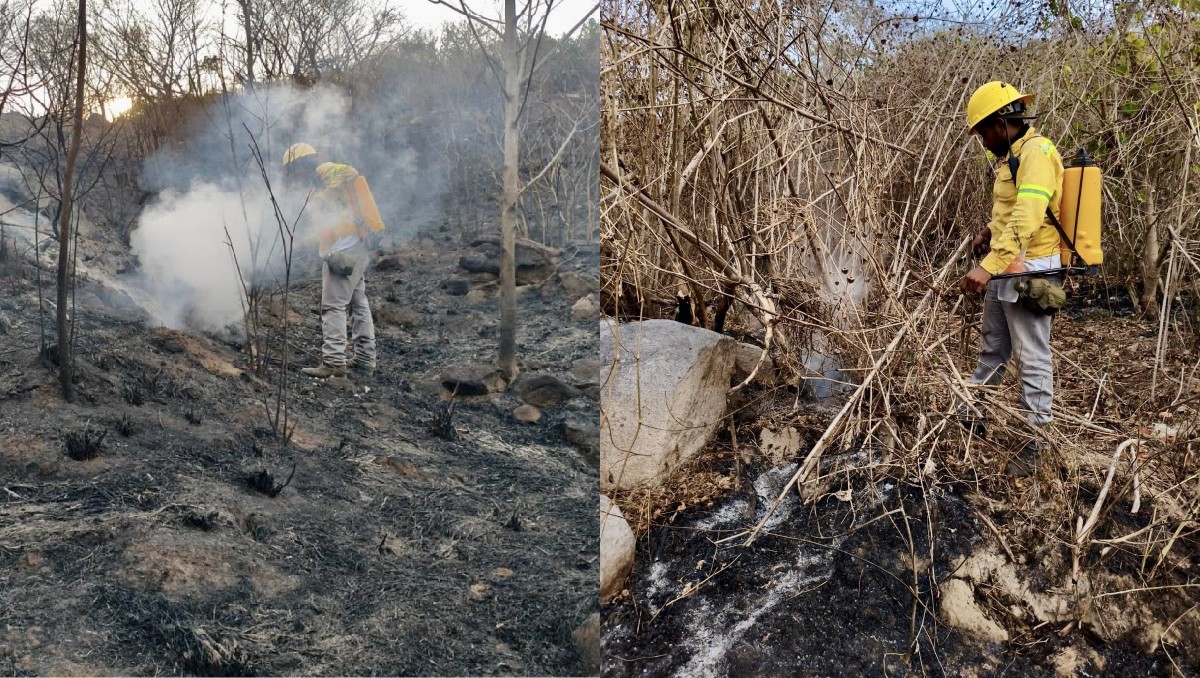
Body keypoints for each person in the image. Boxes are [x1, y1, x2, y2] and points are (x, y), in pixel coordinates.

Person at [957, 81, 1065, 477]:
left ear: (1002, 122)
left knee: (1032, 357)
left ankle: (1037, 443)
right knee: (993, 350)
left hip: (1030, 272)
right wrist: (988, 232)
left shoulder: (1037, 153)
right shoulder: (1012, 157)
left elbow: (1029, 216)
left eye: (984, 131)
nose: (984, 141)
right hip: (1006, 266)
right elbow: (1009, 211)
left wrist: (987, 266)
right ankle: (970, 417)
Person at [282, 143, 383, 379]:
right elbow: (324, 226)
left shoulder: (330, 172)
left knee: (333, 306)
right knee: (358, 302)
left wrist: (325, 193)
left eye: (293, 170)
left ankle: (334, 361)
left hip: (345, 250)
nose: (293, 177)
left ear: (301, 164)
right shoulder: (317, 188)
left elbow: (348, 172)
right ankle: (365, 359)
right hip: (353, 248)